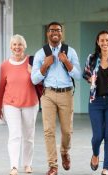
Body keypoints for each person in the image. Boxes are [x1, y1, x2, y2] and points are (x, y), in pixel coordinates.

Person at [31, 21, 81, 175]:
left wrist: (66, 62)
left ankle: (65, 152)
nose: (55, 32)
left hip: (66, 93)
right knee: (48, 131)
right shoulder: (41, 53)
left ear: (62, 33)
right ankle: (53, 165)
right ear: (47, 33)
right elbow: (34, 79)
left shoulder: (70, 51)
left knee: (67, 131)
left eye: (58, 30)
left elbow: (79, 75)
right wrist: (45, 66)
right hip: (48, 95)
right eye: (52, 30)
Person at [0, 34, 39, 175]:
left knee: (28, 136)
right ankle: (14, 166)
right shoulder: (5, 65)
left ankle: (27, 164)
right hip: (11, 104)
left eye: (20, 44)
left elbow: (40, 81)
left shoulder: (32, 62)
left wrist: (33, 73)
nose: (17, 47)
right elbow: (1, 87)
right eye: (14, 44)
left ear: (24, 47)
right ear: (10, 47)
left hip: (30, 103)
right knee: (14, 135)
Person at [83, 30, 108, 175]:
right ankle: (95, 154)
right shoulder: (92, 58)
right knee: (98, 136)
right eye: (102, 40)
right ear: (98, 42)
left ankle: (106, 168)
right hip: (96, 102)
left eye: (107, 40)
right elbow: (85, 74)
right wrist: (91, 80)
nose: (105, 43)